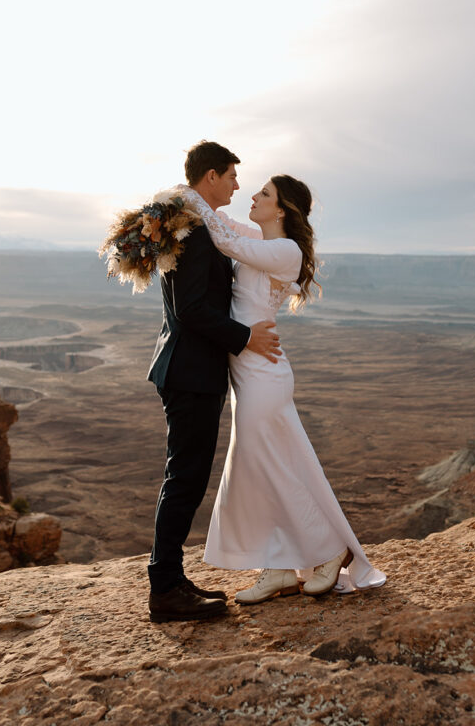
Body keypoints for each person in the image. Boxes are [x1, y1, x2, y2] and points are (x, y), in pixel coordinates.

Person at [180, 174, 386, 604]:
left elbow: (223, 238)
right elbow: (224, 225)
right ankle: (276, 569)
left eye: (264, 194)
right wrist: (190, 203)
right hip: (248, 370)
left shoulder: (284, 250)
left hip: (265, 375)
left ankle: (330, 549)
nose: (252, 196)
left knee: (264, 464)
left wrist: (184, 196)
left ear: (282, 210)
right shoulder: (260, 238)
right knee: (259, 467)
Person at [147, 141, 282, 623]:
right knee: (184, 479)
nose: (237, 185)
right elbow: (191, 309)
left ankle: (172, 579)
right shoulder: (197, 231)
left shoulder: (195, 222)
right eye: (230, 176)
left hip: (190, 370)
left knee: (186, 477)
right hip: (190, 372)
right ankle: (163, 590)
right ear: (209, 178)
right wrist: (246, 337)